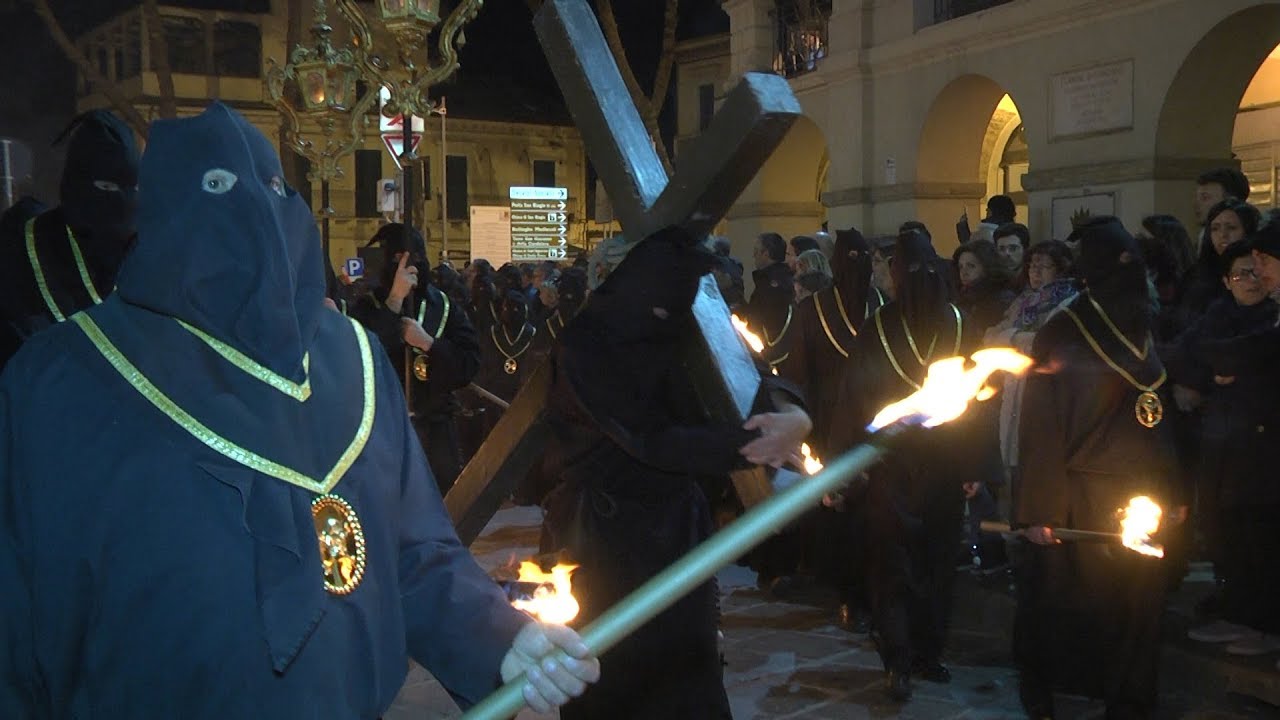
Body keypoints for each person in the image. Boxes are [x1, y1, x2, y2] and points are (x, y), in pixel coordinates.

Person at [0, 102, 597, 718]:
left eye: (274, 189)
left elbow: (414, 555)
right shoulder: (63, 381)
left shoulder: (355, 361)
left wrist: (499, 640)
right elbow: (17, 622)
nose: (257, 214)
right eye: (219, 190)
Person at [540, 228, 811, 719]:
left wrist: (793, 413)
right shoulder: (586, 346)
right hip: (601, 539)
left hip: (676, 531)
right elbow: (648, 437)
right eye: (658, 308)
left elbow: (750, 374)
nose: (664, 321)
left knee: (689, 675)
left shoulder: (680, 328)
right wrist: (748, 445)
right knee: (611, 677)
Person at [1013, 216, 1180, 720]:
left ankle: (1129, 701)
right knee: (1064, 598)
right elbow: (1040, 428)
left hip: (1145, 490)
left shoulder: (1146, 324)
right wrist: (1039, 508)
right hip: (1079, 492)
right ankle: (1045, 688)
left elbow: (1159, 413)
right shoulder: (1065, 330)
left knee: (1140, 602)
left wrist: (1175, 489)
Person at [833, 229, 1001, 702]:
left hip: (936, 465)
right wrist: (848, 464)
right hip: (895, 465)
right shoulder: (885, 327)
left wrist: (974, 465)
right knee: (896, 562)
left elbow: (979, 400)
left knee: (931, 563)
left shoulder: (955, 324)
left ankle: (925, 653)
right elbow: (854, 397)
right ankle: (900, 657)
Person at [0, 110, 139, 368]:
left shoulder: (146, 255)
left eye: (134, 189)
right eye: (106, 187)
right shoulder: (20, 248)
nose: (123, 201)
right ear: (77, 184)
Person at [349, 223, 479, 497]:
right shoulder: (367, 306)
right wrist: (394, 300)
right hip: (384, 430)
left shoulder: (443, 307)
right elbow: (361, 357)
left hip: (435, 429)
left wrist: (429, 344)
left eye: (408, 258)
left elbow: (469, 364)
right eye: (394, 259)